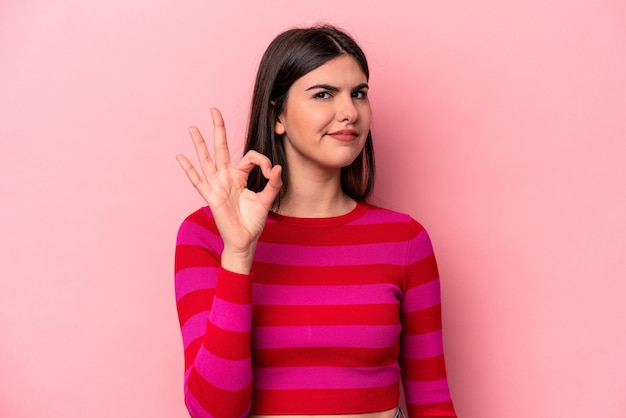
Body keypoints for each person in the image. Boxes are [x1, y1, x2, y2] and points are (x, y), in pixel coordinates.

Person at [174, 25, 457, 418]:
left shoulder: (405, 239)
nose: (350, 112)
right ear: (278, 117)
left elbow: (433, 403)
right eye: (324, 94)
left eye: (359, 93)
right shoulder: (206, 234)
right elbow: (214, 412)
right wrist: (239, 254)